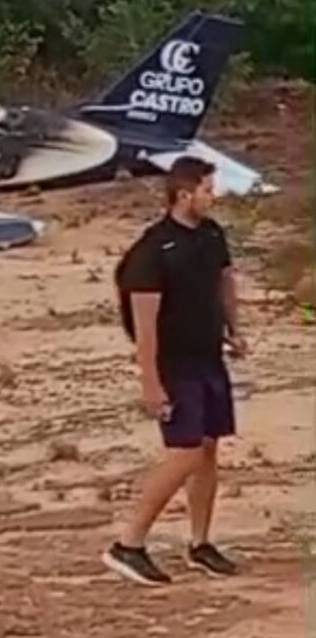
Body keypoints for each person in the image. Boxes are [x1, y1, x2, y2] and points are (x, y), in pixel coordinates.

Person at [104, 156, 248, 586]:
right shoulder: (152, 252)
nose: (213, 196)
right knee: (183, 453)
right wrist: (150, 381)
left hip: (208, 358)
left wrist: (234, 330)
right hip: (175, 365)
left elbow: (224, 281)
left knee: (207, 449)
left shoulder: (210, 234)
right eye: (207, 189)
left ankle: (200, 543)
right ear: (184, 194)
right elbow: (144, 327)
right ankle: (128, 544)